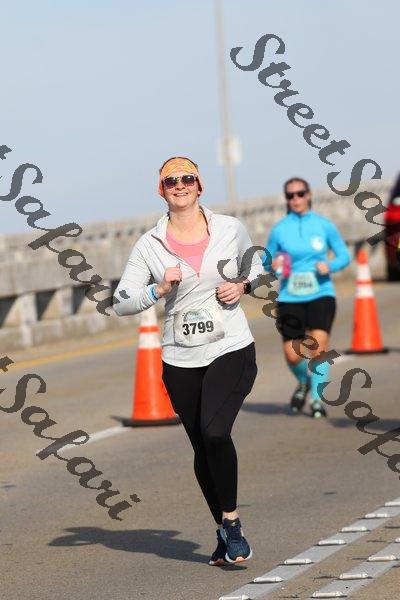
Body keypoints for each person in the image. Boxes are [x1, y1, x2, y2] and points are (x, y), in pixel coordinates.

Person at [113, 156, 264, 565]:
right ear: (160, 190)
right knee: (201, 445)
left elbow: (259, 263)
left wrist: (243, 284)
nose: (179, 185)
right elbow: (121, 301)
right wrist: (158, 290)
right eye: (171, 180)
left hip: (230, 346)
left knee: (215, 432)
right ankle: (223, 530)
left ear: (200, 186)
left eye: (187, 178)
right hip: (179, 358)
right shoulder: (149, 244)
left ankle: (232, 522)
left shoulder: (230, 228)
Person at [264, 177, 350, 418]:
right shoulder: (280, 229)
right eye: (290, 195)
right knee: (292, 354)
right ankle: (304, 382)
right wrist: (273, 264)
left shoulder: (324, 225)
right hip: (290, 296)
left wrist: (330, 266)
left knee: (318, 349)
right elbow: (266, 260)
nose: (296, 199)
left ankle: (317, 400)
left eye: (300, 193)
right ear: (286, 199)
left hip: (321, 293)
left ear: (309, 195)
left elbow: (344, 255)